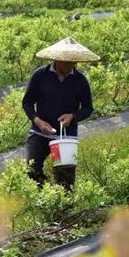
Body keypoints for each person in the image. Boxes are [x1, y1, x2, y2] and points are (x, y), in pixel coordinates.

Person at [22, 37, 100, 190]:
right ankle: (44, 197)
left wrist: (73, 116)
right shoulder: (40, 75)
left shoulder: (80, 81)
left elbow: (87, 108)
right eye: (66, 62)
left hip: (65, 137)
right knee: (31, 168)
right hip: (40, 132)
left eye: (73, 62)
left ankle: (63, 207)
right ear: (56, 59)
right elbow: (27, 102)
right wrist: (38, 121)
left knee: (65, 178)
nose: (70, 65)